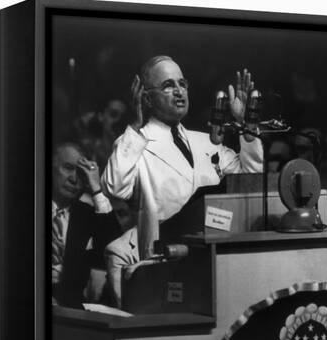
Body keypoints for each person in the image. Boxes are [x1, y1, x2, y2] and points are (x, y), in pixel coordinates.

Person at [101, 56, 264, 306]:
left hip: (217, 264)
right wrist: (134, 124)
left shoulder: (208, 142)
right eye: (168, 85)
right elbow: (114, 185)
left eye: (182, 83)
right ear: (147, 97)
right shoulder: (136, 143)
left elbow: (250, 182)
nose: (179, 92)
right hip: (166, 270)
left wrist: (246, 126)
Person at [52, 142, 121, 307]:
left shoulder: (86, 215)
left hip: (70, 311)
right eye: (68, 168)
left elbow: (117, 249)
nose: (74, 179)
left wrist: (97, 189)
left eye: (81, 174)